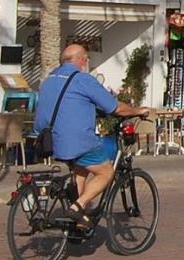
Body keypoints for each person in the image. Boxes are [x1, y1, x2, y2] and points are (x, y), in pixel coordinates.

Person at [33, 44, 150, 228]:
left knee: (82, 169)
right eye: (86, 58)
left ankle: (80, 221)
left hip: (48, 140)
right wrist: (137, 110)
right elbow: (114, 107)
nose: (87, 62)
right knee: (106, 172)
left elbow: (68, 105)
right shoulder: (83, 80)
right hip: (74, 140)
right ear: (80, 60)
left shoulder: (50, 78)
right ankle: (78, 206)